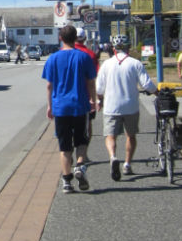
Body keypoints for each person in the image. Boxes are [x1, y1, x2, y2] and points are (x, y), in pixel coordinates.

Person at [41, 25, 98, 194]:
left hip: (60, 107)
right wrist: (93, 100)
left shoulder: (53, 59)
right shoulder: (84, 57)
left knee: (64, 146)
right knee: (81, 140)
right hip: (80, 105)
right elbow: (91, 82)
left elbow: (49, 85)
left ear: (60, 38)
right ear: (76, 38)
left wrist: (50, 106)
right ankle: (80, 164)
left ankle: (67, 182)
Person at [96, 34, 158, 181]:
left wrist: (100, 100)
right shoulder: (135, 63)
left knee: (110, 136)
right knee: (131, 135)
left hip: (111, 106)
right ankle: (127, 164)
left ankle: (113, 157)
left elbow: (99, 88)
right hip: (131, 106)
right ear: (129, 47)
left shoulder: (107, 64)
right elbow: (147, 85)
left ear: (113, 49)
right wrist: (158, 93)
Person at [74, 27, 100, 162]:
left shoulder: (61, 53)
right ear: (84, 39)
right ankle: (83, 155)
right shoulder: (90, 55)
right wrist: (95, 99)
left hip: (65, 99)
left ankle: (68, 153)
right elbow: (95, 78)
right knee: (87, 128)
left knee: (68, 128)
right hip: (86, 98)